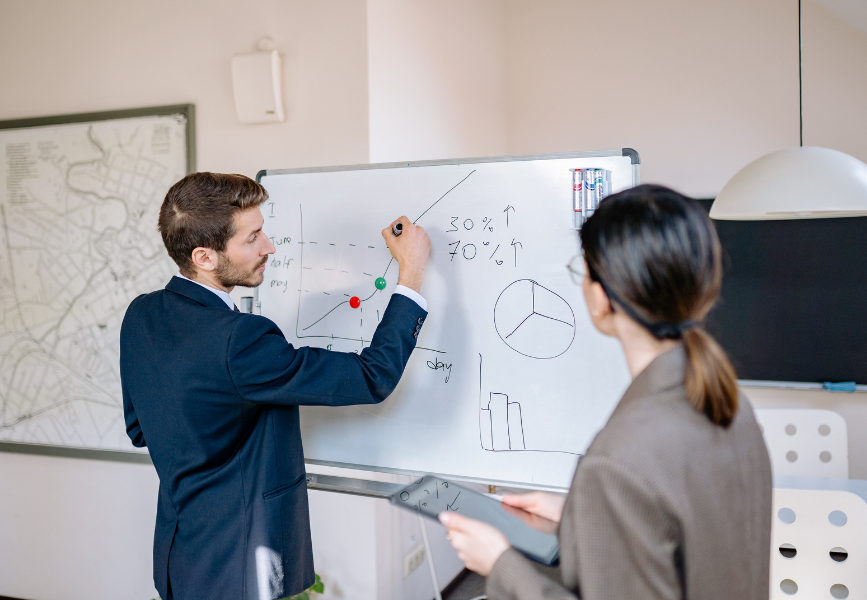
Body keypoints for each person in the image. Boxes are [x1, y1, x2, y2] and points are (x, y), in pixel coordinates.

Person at [439, 184, 772, 600]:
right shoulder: (729, 406)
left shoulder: (619, 460)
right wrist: (581, 517)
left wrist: (499, 563)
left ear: (600, 298)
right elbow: (683, 532)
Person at [120, 172, 431, 600]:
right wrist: (411, 273)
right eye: (253, 238)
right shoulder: (239, 340)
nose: (269, 246)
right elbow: (372, 376)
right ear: (204, 256)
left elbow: (140, 429)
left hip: (180, 561)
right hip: (241, 567)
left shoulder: (141, 315)